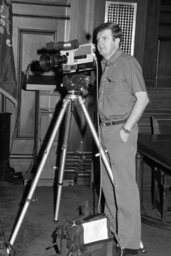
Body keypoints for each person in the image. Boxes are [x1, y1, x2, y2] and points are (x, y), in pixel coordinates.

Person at [95, 22, 149, 256]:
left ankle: (130, 245)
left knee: (124, 188)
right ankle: (115, 234)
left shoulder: (127, 63)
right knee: (108, 186)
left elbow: (143, 98)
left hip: (120, 132)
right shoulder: (105, 66)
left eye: (104, 39)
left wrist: (126, 129)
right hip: (104, 130)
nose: (100, 44)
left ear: (117, 41)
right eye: (98, 40)